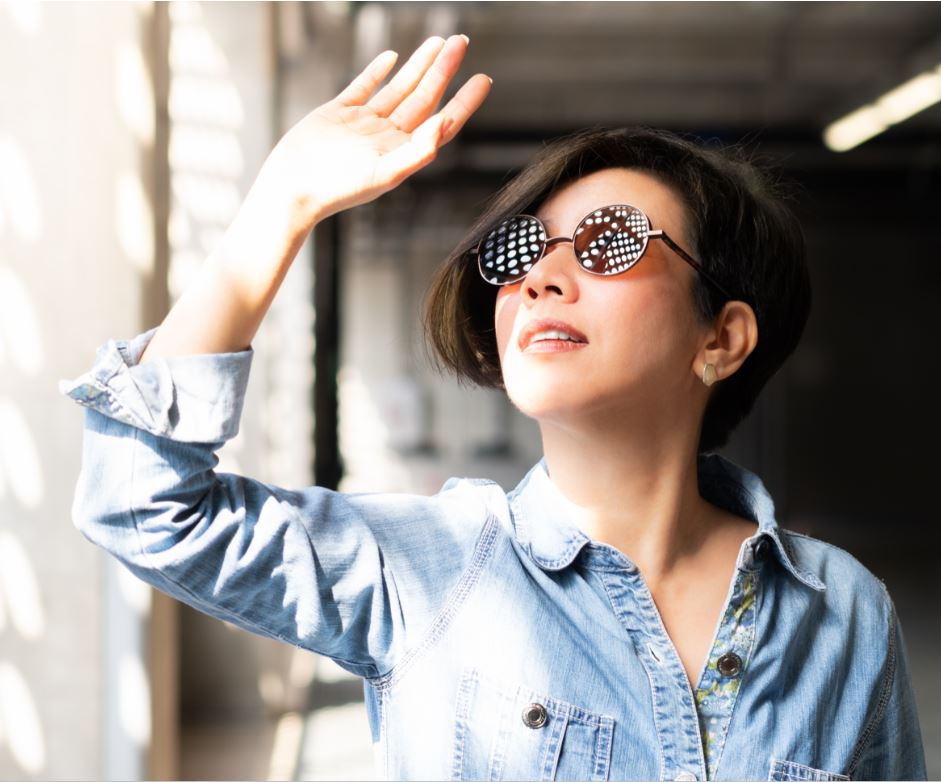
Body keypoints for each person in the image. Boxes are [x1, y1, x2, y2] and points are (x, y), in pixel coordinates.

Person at [61, 34, 925, 781]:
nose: (539, 276)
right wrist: (280, 205)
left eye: (608, 242)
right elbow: (142, 502)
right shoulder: (425, 570)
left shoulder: (840, 614)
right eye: (521, 247)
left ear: (721, 338)